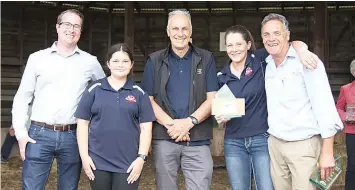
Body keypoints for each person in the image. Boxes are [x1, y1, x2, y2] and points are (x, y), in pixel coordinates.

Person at [11, 9, 106, 190]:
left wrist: (94, 130)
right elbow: (23, 97)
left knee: (69, 188)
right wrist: (21, 133)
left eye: (76, 26)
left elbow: (103, 94)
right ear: (57, 27)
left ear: (80, 31)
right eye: (67, 24)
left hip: (72, 134)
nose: (72, 29)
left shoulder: (90, 62)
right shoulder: (37, 58)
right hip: (38, 133)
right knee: (31, 187)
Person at [215, 25, 318, 190]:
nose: (234, 49)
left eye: (239, 44)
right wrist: (220, 116)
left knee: (267, 187)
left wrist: (303, 50)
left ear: (248, 45)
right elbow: (219, 106)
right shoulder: (221, 76)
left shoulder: (261, 59)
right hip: (233, 141)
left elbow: (290, 43)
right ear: (225, 47)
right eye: (230, 45)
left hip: (261, 139)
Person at [261, 13, 343, 190]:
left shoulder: (307, 62)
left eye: (277, 33)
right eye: (266, 34)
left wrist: (327, 152)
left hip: (303, 146)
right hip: (275, 145)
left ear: (287, 35)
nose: (271, 39)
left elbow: (325, 107)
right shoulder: (267, 64)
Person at [140, 9, 219, 190]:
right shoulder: (154, 60)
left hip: (197, 138)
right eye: (175, 29)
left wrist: (189, 123)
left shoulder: (206, 59)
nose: (180, 33)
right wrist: (173, 126)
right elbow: (147, 100)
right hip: (164, 138)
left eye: (184, 28)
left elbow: (212, 98)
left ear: (191, 31)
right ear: (168, 32)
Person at [75, 43, 155, 190]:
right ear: (108, 64)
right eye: (116, 61)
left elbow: (146, 128)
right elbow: (82, 124)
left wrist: (141, 158)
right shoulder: (94, 89)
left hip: (128, 163)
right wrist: (84, 157)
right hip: (97, 162)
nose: (120, 65)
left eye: (125, 61)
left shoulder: (139, 93)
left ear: (131, 64)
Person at [336, 59, 355, 190]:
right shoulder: (346, 89)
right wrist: (347, 116)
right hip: (352, 132)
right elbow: (338, 108)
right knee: (353, 166)